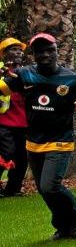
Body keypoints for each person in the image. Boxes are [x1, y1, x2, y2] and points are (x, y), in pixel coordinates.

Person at [0, 33, 76, 239]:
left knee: (49, 186)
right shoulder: (24, 74)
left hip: (60, 141)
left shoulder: (73, 78)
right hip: (33, 143)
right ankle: (63, 226)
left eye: (49, 50)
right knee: (44, 190)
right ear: (33, 55)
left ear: (56, 51)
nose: (45, 55)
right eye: (39, 51)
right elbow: (2, 89)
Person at [0, 38, 28, 197]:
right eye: (14, 49)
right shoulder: (1, 69)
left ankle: (13, 188)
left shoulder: (27, 71)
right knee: (6, 152)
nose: (18, 52)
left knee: (22, 158)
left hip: (23, 121)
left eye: (20, 50)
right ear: (4, 54)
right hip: (3, 121)